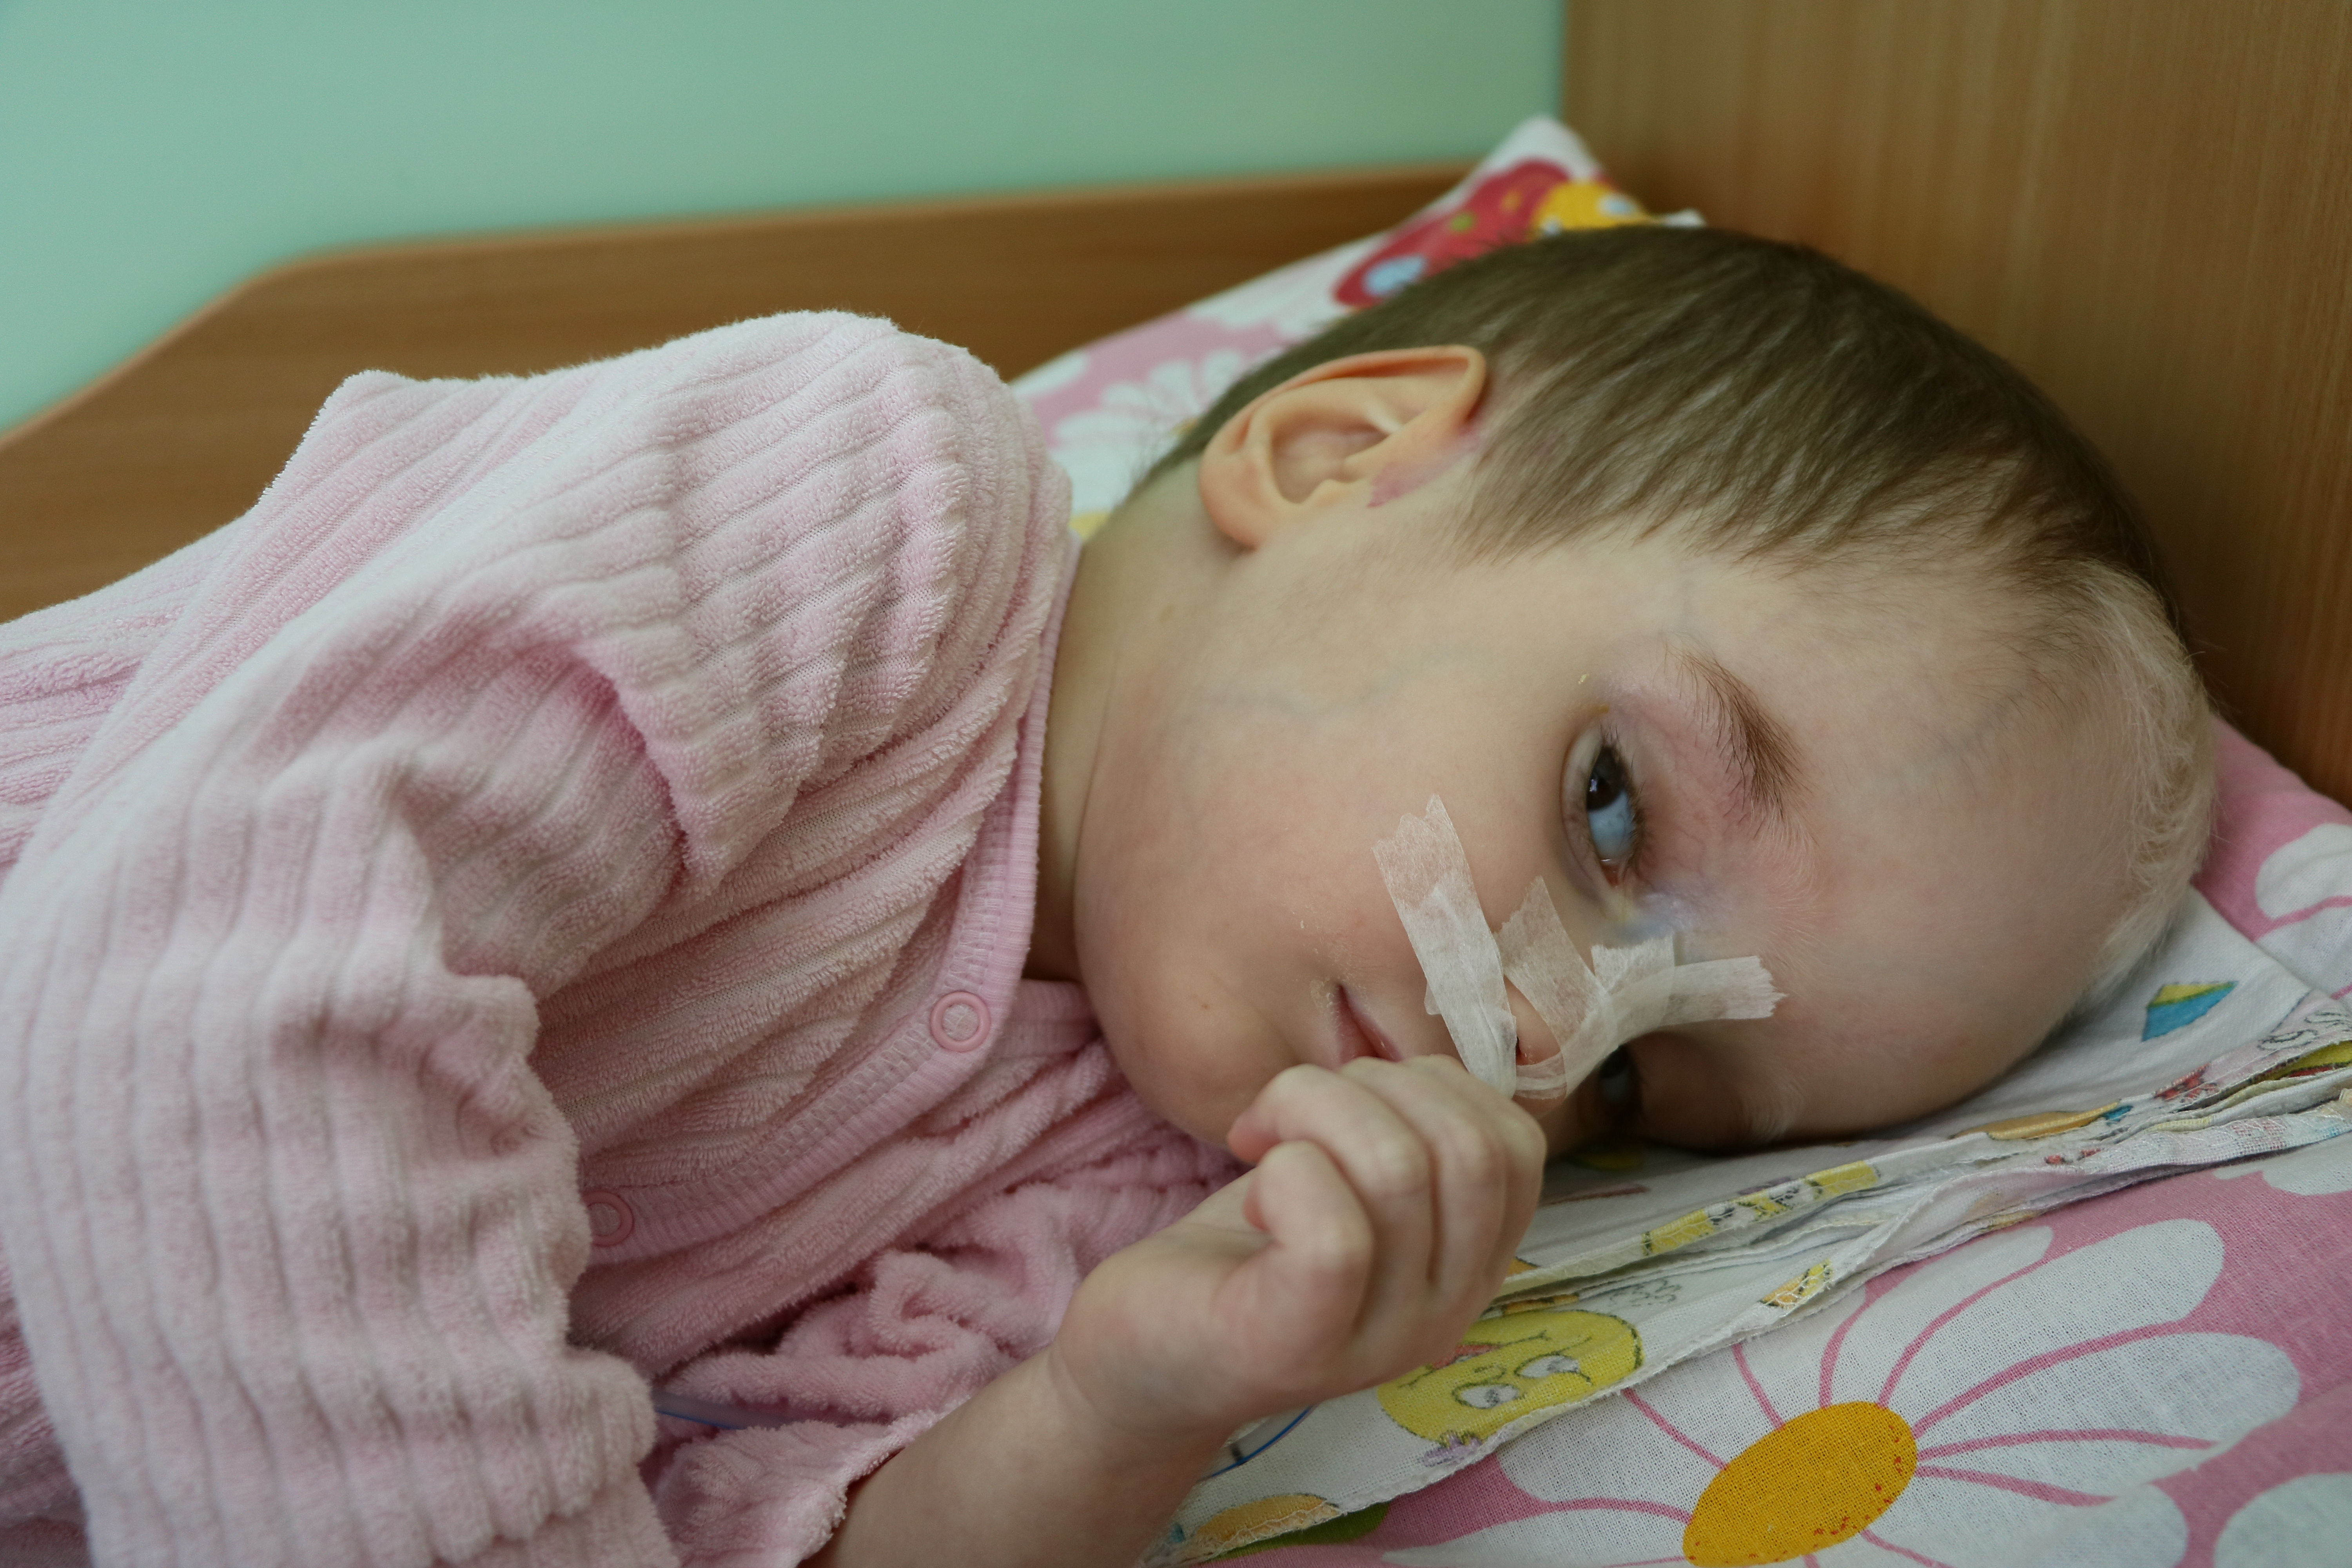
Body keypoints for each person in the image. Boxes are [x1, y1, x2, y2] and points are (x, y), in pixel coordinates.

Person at [0, 226, 2210, 1568]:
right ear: (1337, 458)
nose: (1545, 1040)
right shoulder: (867, 508)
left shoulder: (1162, 1196)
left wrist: (1110, 1414)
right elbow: (205, 982)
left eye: (1649, 1090)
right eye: (1613, 816)